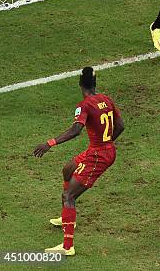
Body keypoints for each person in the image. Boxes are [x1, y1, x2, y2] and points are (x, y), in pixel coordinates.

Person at [33, 67, 124, 256]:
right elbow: (121, 126)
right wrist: (107, 143)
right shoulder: (106, 99)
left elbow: (75, 130)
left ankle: (67, 247)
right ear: (95, 84)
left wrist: (50, 143)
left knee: (69, 196)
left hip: (98, 155)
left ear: (80, 85)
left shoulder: (84, 106)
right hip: (100, 150)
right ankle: (66, 216)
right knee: (68, 169)